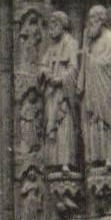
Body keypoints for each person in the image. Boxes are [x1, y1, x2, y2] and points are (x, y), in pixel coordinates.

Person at [77, 4, 111, 163]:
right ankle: (94, 157)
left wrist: (88, 58)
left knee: (104, 120)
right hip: (91, 88)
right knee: (92, 120)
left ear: (102, 20)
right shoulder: (91, 42)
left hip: (104, 85)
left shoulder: (110, 37)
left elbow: (109, 62)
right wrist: (86, 51)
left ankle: (109, 157)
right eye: (88, 20)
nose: (90, 23)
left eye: (93, 19)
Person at [40, 11, 80, 167]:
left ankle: (66, 162)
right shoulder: (51, 48)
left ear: (63, 26)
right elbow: (43, 65)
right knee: (52, 126)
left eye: (55, 24)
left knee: (64, 126)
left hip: (64, 94)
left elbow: (74, 68)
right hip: (51, 93)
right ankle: (54, 162)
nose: (52, 28)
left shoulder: (71, 44)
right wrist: (45, 72)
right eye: (50, 25)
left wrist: (61, 79)